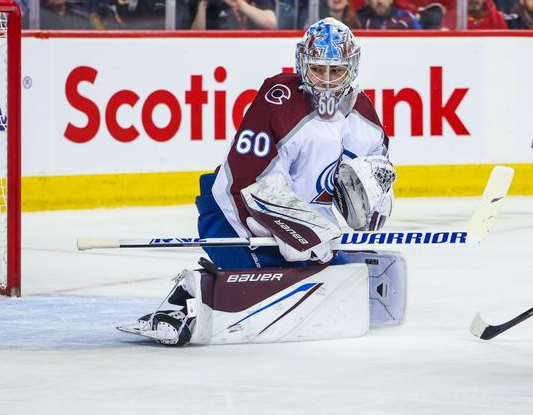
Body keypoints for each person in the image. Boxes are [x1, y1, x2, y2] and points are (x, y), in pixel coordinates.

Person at [122, 18, 400, 346]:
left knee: (337, 281)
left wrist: (370, 207)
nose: (326, 81)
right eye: (317, 70)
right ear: (301, 65)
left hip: (306, 235)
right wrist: (294, 229)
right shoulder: (279, 97)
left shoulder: (365, 119)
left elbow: (376, 187)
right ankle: (188, 302)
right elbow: (241, 180)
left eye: (335, 71)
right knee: (269, 283)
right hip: (233, 215)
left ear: (351, 69)